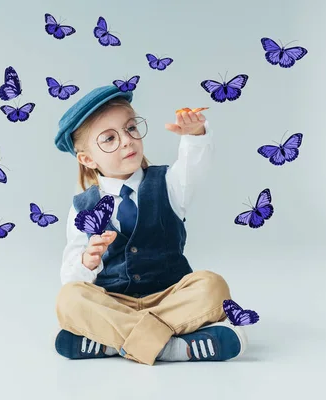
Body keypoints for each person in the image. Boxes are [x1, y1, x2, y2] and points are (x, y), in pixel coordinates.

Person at [53, 85, 247, 366]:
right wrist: (87, 261)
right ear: (87, 158)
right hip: (114, 301)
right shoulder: (81, 207)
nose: (127, 141)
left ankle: (112, 343)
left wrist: (194, 135)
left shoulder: (168, 183)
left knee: (213, 287)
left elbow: (195, 167)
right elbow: (71, 278)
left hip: (170, 297)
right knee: (69, 299)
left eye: (131, 128)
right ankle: (172, 348)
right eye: (109, 138)